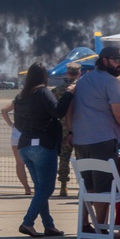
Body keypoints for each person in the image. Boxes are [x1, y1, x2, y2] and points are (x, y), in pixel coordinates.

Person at [70, 46, 120, 234]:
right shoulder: (111, 82)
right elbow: (119, 112)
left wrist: (71, 131)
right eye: (115, 60)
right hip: (103, 139)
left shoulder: (83, 80)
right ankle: (101, 227)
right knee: (104, 188)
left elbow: (71, 108)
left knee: (87, 186)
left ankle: (85, 224)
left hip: (81, 140)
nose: (119, 63)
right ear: (104, 60)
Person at [13, 62, 75, 237]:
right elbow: (57, 111)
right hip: (43, 145)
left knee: (40, 187)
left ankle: (49, 225)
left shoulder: (20, 97)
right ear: (43, 76)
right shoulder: (42, 92)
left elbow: (18, 124)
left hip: (25, 145)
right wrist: (68, 94)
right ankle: (28, 222)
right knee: (46, 188)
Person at [52, 62, 81, 197]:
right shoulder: (82, 87)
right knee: (82, 158)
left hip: (63, 128)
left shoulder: (58, 89)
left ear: (67, 73)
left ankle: (63, 186)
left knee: (64, 158)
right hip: (82, 127)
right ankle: (84, 186)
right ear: (79, 73)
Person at [0, 99, 33, 196]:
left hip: (17, 133)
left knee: (19, 163)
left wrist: (11, 124)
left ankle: (27, 188)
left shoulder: (18, 99)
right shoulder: (35, 99)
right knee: (34, 162)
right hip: (31, 133)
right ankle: (37, 186)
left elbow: (3, 110)